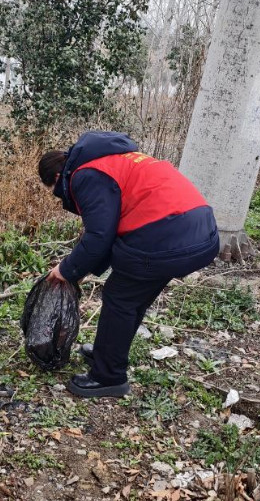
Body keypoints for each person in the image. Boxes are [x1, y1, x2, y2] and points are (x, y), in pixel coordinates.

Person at [39, 132, 219, 398]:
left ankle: (108, 377)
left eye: (56, 192)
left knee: (120, 298)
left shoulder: (84, 175)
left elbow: (99, 236)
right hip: (199, 231)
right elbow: (111, 229)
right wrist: (81, 268)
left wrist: (66, 270)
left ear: (57, 178)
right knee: (132, 296)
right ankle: (107, 354)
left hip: (169, 235)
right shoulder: (114, 159)